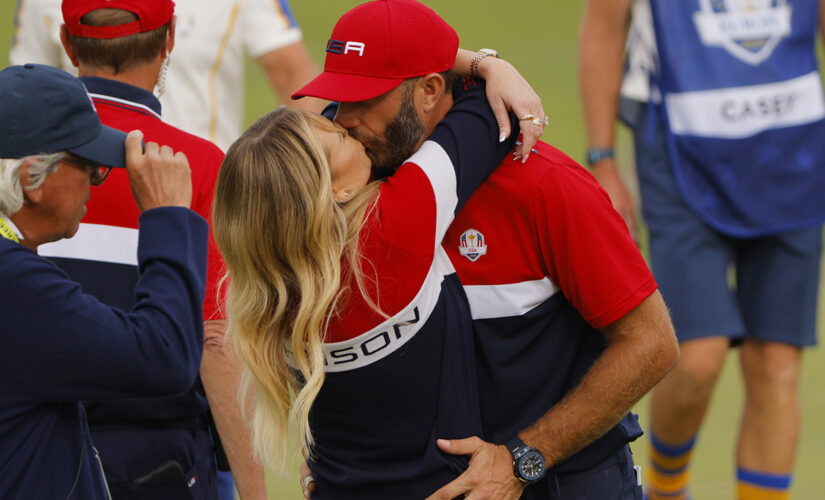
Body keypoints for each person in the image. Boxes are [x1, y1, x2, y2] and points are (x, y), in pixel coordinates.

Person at [293, 1, 679, 498]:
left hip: (562, 481)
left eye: (366, 100)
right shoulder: (347, 185)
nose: (344, 120)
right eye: (339, 99)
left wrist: (524, 456)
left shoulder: (545, 188)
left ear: (430, 90)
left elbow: (651, 344)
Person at [211, 2, 528, 497]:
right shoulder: (397, 225)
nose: (345, 123)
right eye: (336, 137)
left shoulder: (269, 282)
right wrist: (488, 62)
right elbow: (477, 109)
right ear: (331, 192)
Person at [579, 1, 825, 499]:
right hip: (678, 145)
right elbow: (604, 29)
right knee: (696, 356)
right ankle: (667, 487)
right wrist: (603, 158)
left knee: (776, 361)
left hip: (794, 150)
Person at [37, 1, 265, 498]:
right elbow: (215, 342)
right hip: (158, 462)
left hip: (31, 446)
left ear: (67, 41)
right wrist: (255, 491)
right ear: (170, 40)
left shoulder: (21, 155)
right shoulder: (198, 165)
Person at [0, 63, 206, 499]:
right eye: (90, 165)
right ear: (31, 180)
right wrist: (167, 216)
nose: (98, 179)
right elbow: (164, 356)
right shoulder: (13, 284)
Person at [10, 0, 324, 151]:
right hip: (83, 190)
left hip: (206, 189)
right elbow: (26, 96)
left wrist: (322, 172)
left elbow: (290, 72)